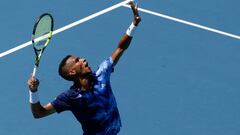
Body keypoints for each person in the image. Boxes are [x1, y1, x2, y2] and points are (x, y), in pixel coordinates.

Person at [27, 2, 141, 135]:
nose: (83, 59)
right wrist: (33, 91)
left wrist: (134, 24)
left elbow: (120, 48)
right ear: (72, 72)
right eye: (77, 60)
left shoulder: (102, 74)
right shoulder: (70, 97)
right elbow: (39, 113)